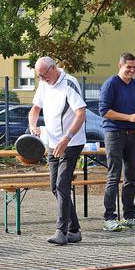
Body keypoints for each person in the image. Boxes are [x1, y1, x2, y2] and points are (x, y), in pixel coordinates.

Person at [28, 56, 86, 245]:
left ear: (53, 69)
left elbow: (81, 113)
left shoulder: (69, 83)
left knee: (62, 184)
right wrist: (33, 125)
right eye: (39, 76)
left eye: (44, 75)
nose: (42, 79)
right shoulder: (44, 84)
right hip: (53, 143)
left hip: (72, 142)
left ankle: (61, 231)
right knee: (55, 186)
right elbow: (35, 109)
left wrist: (67, 137)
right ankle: (75, 230)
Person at [99, 52, 135, 231]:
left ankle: (129, 216)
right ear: (120, 66)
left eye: (134, 68)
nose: (132, 71)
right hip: (114, 133)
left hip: (132, 134)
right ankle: (109, 217)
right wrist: (129, 117)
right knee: (114, 176)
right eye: (129, 67)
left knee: (131, 177)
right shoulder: (111, 84)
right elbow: (104, 111)